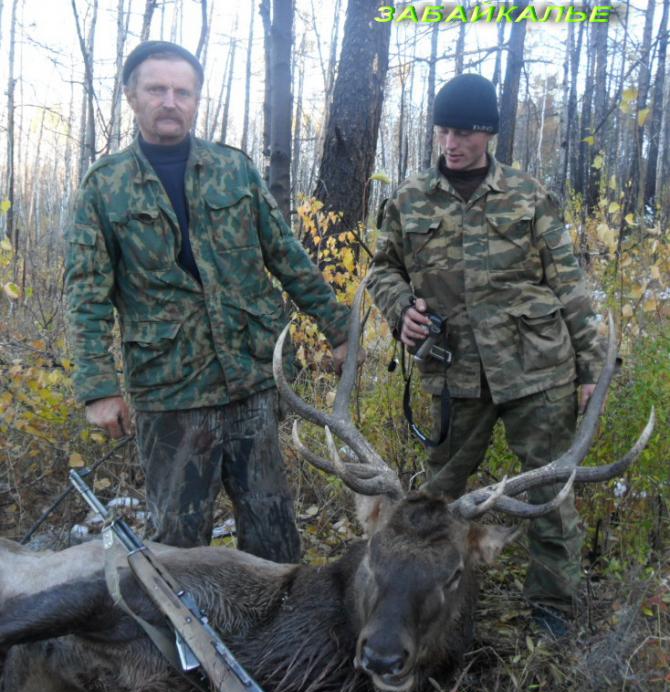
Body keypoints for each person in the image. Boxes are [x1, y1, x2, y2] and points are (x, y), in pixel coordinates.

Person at [65, 41, 351, 563]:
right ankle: (184, 641)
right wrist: (98, 388)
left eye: (182, 91)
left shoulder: (233, 169)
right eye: (157, 89)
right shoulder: (103, 188)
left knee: (272, 528)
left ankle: (275, 635)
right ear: (132, 96)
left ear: (196, 99)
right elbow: (86, 293)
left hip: (251, 379)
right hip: (170, 390)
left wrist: (339, 328)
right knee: (179, 540)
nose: (170, 101)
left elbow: (285, 255)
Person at [368, 74, 604, 636]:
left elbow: (568, 284)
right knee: (436, 500)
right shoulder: (408, 199)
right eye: (444, 130)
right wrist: (401, 309)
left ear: (489, 134)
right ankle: (425, 607)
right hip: (454, 375)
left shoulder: (529, 196)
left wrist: (593, 368)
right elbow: (383, 268)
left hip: (538, 370)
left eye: (466, 133)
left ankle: (553, 616)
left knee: (548, 493)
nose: (452, 143)